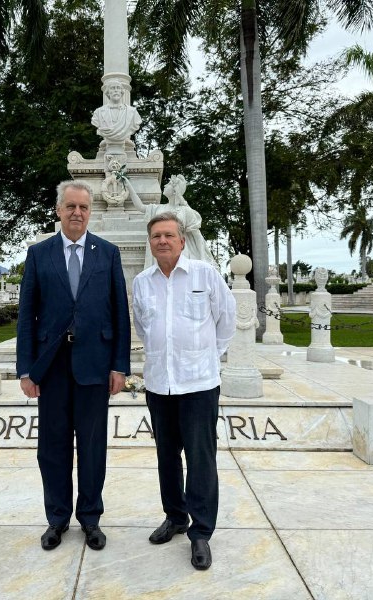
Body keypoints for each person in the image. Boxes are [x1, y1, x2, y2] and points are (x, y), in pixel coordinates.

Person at [17, 180, 131, 552]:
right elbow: (26, 317)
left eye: (83, 207)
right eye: (70, 207)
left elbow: (119, 312)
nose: (77, 213)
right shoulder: (38, 254)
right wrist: (26, 369)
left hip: (95, 366)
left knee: (93, 445)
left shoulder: (108, 253)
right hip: (51, 367)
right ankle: (57, 519)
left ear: (90, 212)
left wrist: (120, 365)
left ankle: (91, 519)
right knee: (52, 447)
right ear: (58, 210)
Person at [132, 212, 236, 571]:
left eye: (168, 235)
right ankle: (176, 517)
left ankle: (201, 532)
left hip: (198, 384)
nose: (162, 240)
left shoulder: (205, 274)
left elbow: (227, 319)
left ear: (181, 240)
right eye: (156, 235)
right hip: (160, 384)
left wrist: (207, 355)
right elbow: (143, 329)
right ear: (151, 242)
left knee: (201, 458)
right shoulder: (142, 282)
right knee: (167, 456)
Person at [122, 174, 216, 268]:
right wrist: (129, 186)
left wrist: (203, 258)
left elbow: (197, 236)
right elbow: (140, 207)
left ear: (175, 191)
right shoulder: (157, 208)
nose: (165, 185)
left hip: (180, 252)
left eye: (169, 184)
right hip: (160, 250)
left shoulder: (185, 211)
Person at [91, 78, 141, 148]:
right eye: (112, 88)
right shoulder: (98, 112)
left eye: (118, 88)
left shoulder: (132, 112)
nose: (116, 90)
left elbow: (135, 125)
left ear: (121, 92)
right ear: (108, 92)